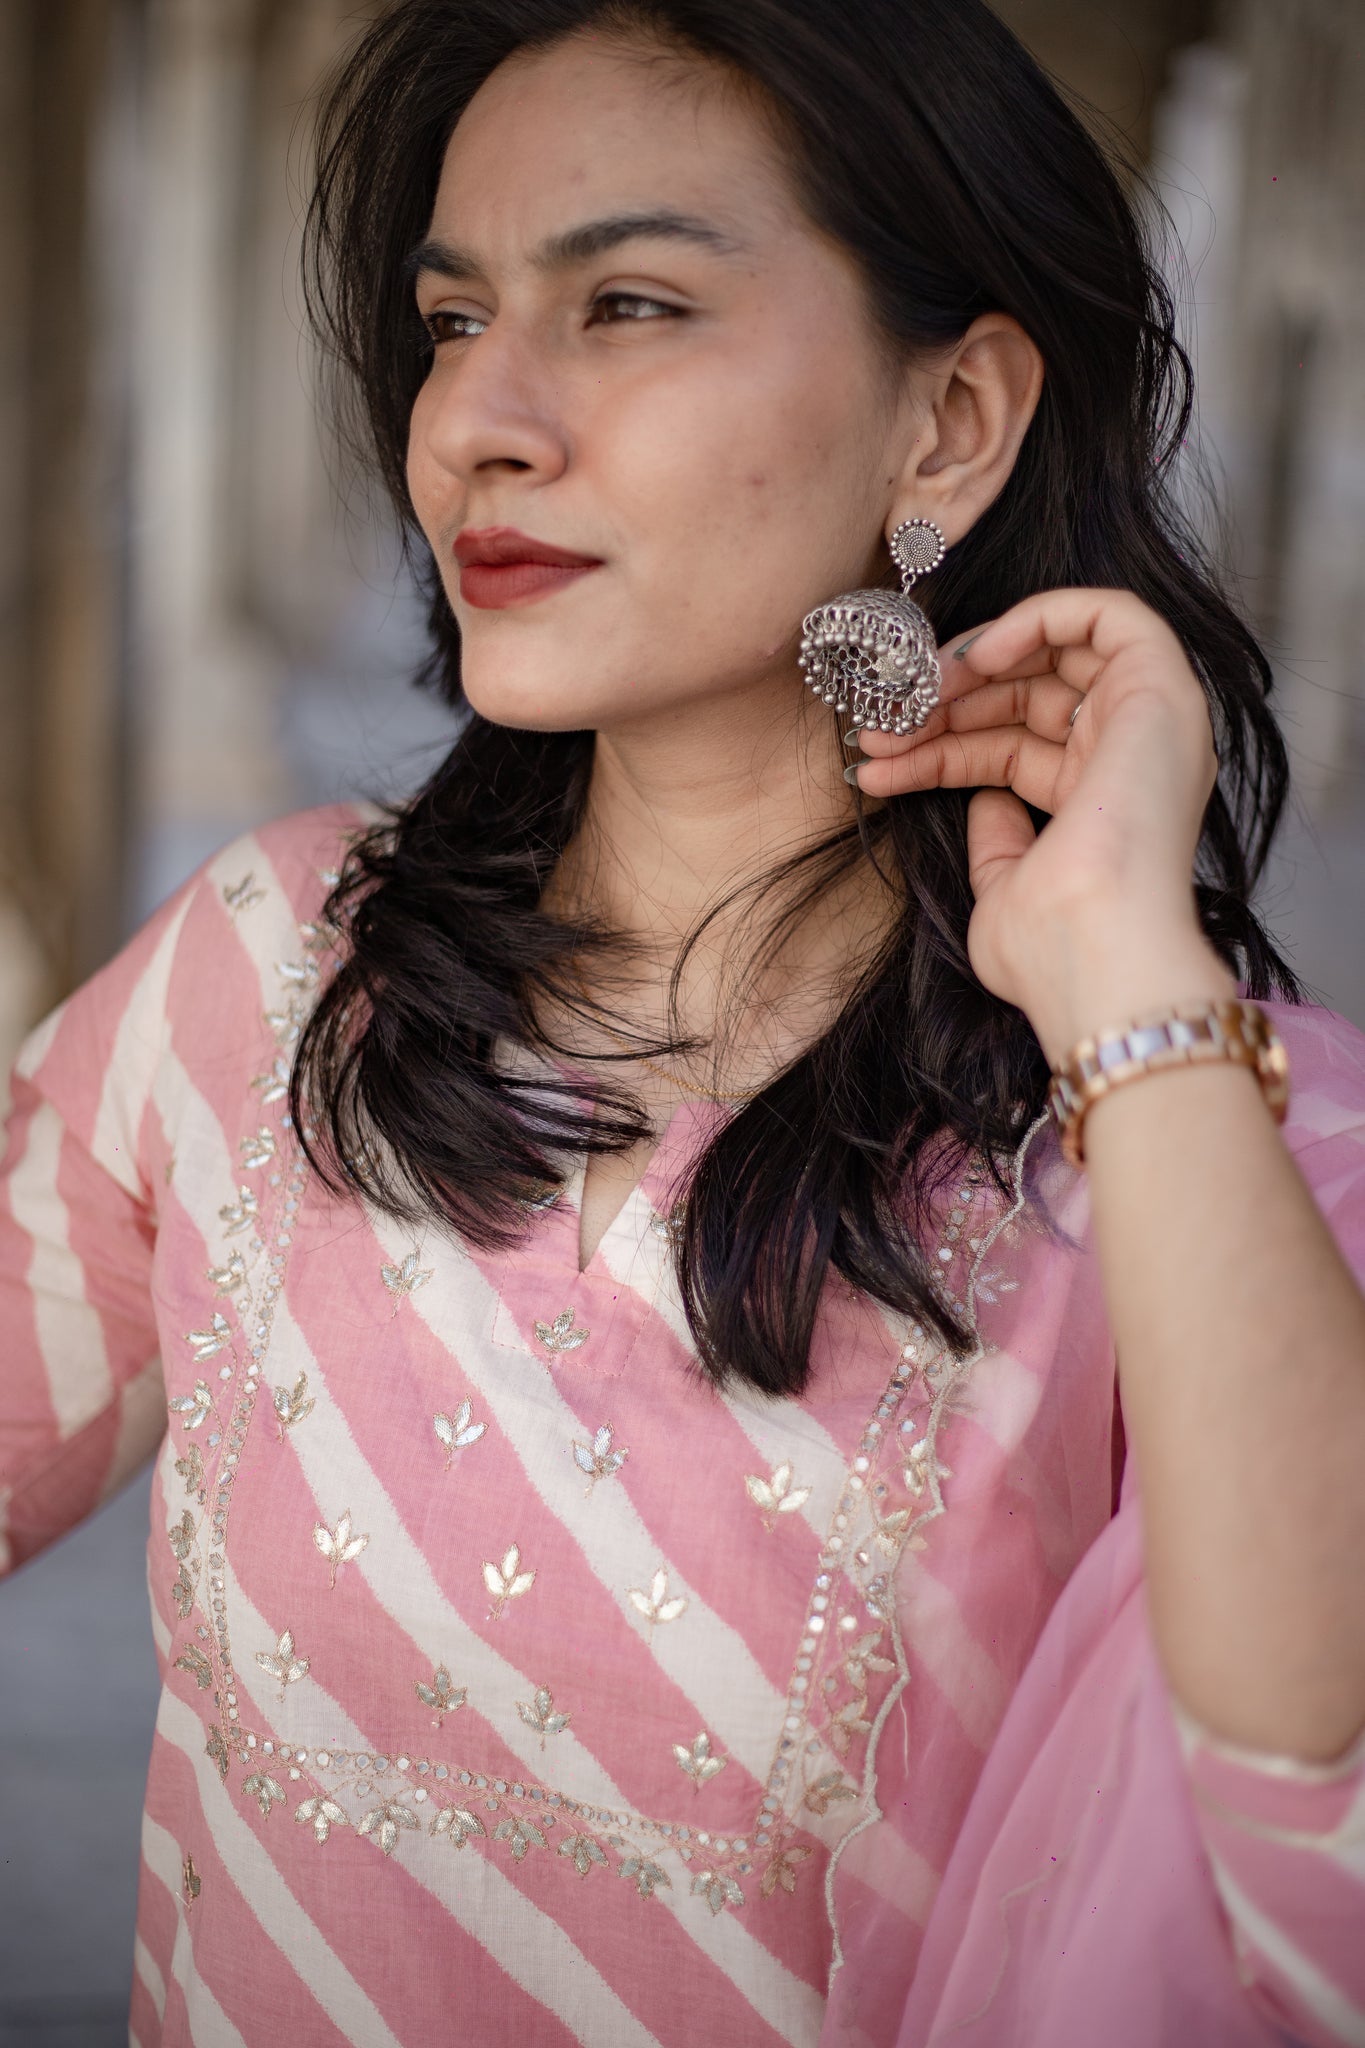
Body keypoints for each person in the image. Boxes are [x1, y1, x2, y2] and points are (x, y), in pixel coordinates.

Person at [3, 1, 1364, 2042]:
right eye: (452, 320)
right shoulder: (272, 978)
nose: (481, 417)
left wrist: (1111, 959)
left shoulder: (1164, 1137)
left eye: (626, 302)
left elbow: (1310, 1815)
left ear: (949, 425)